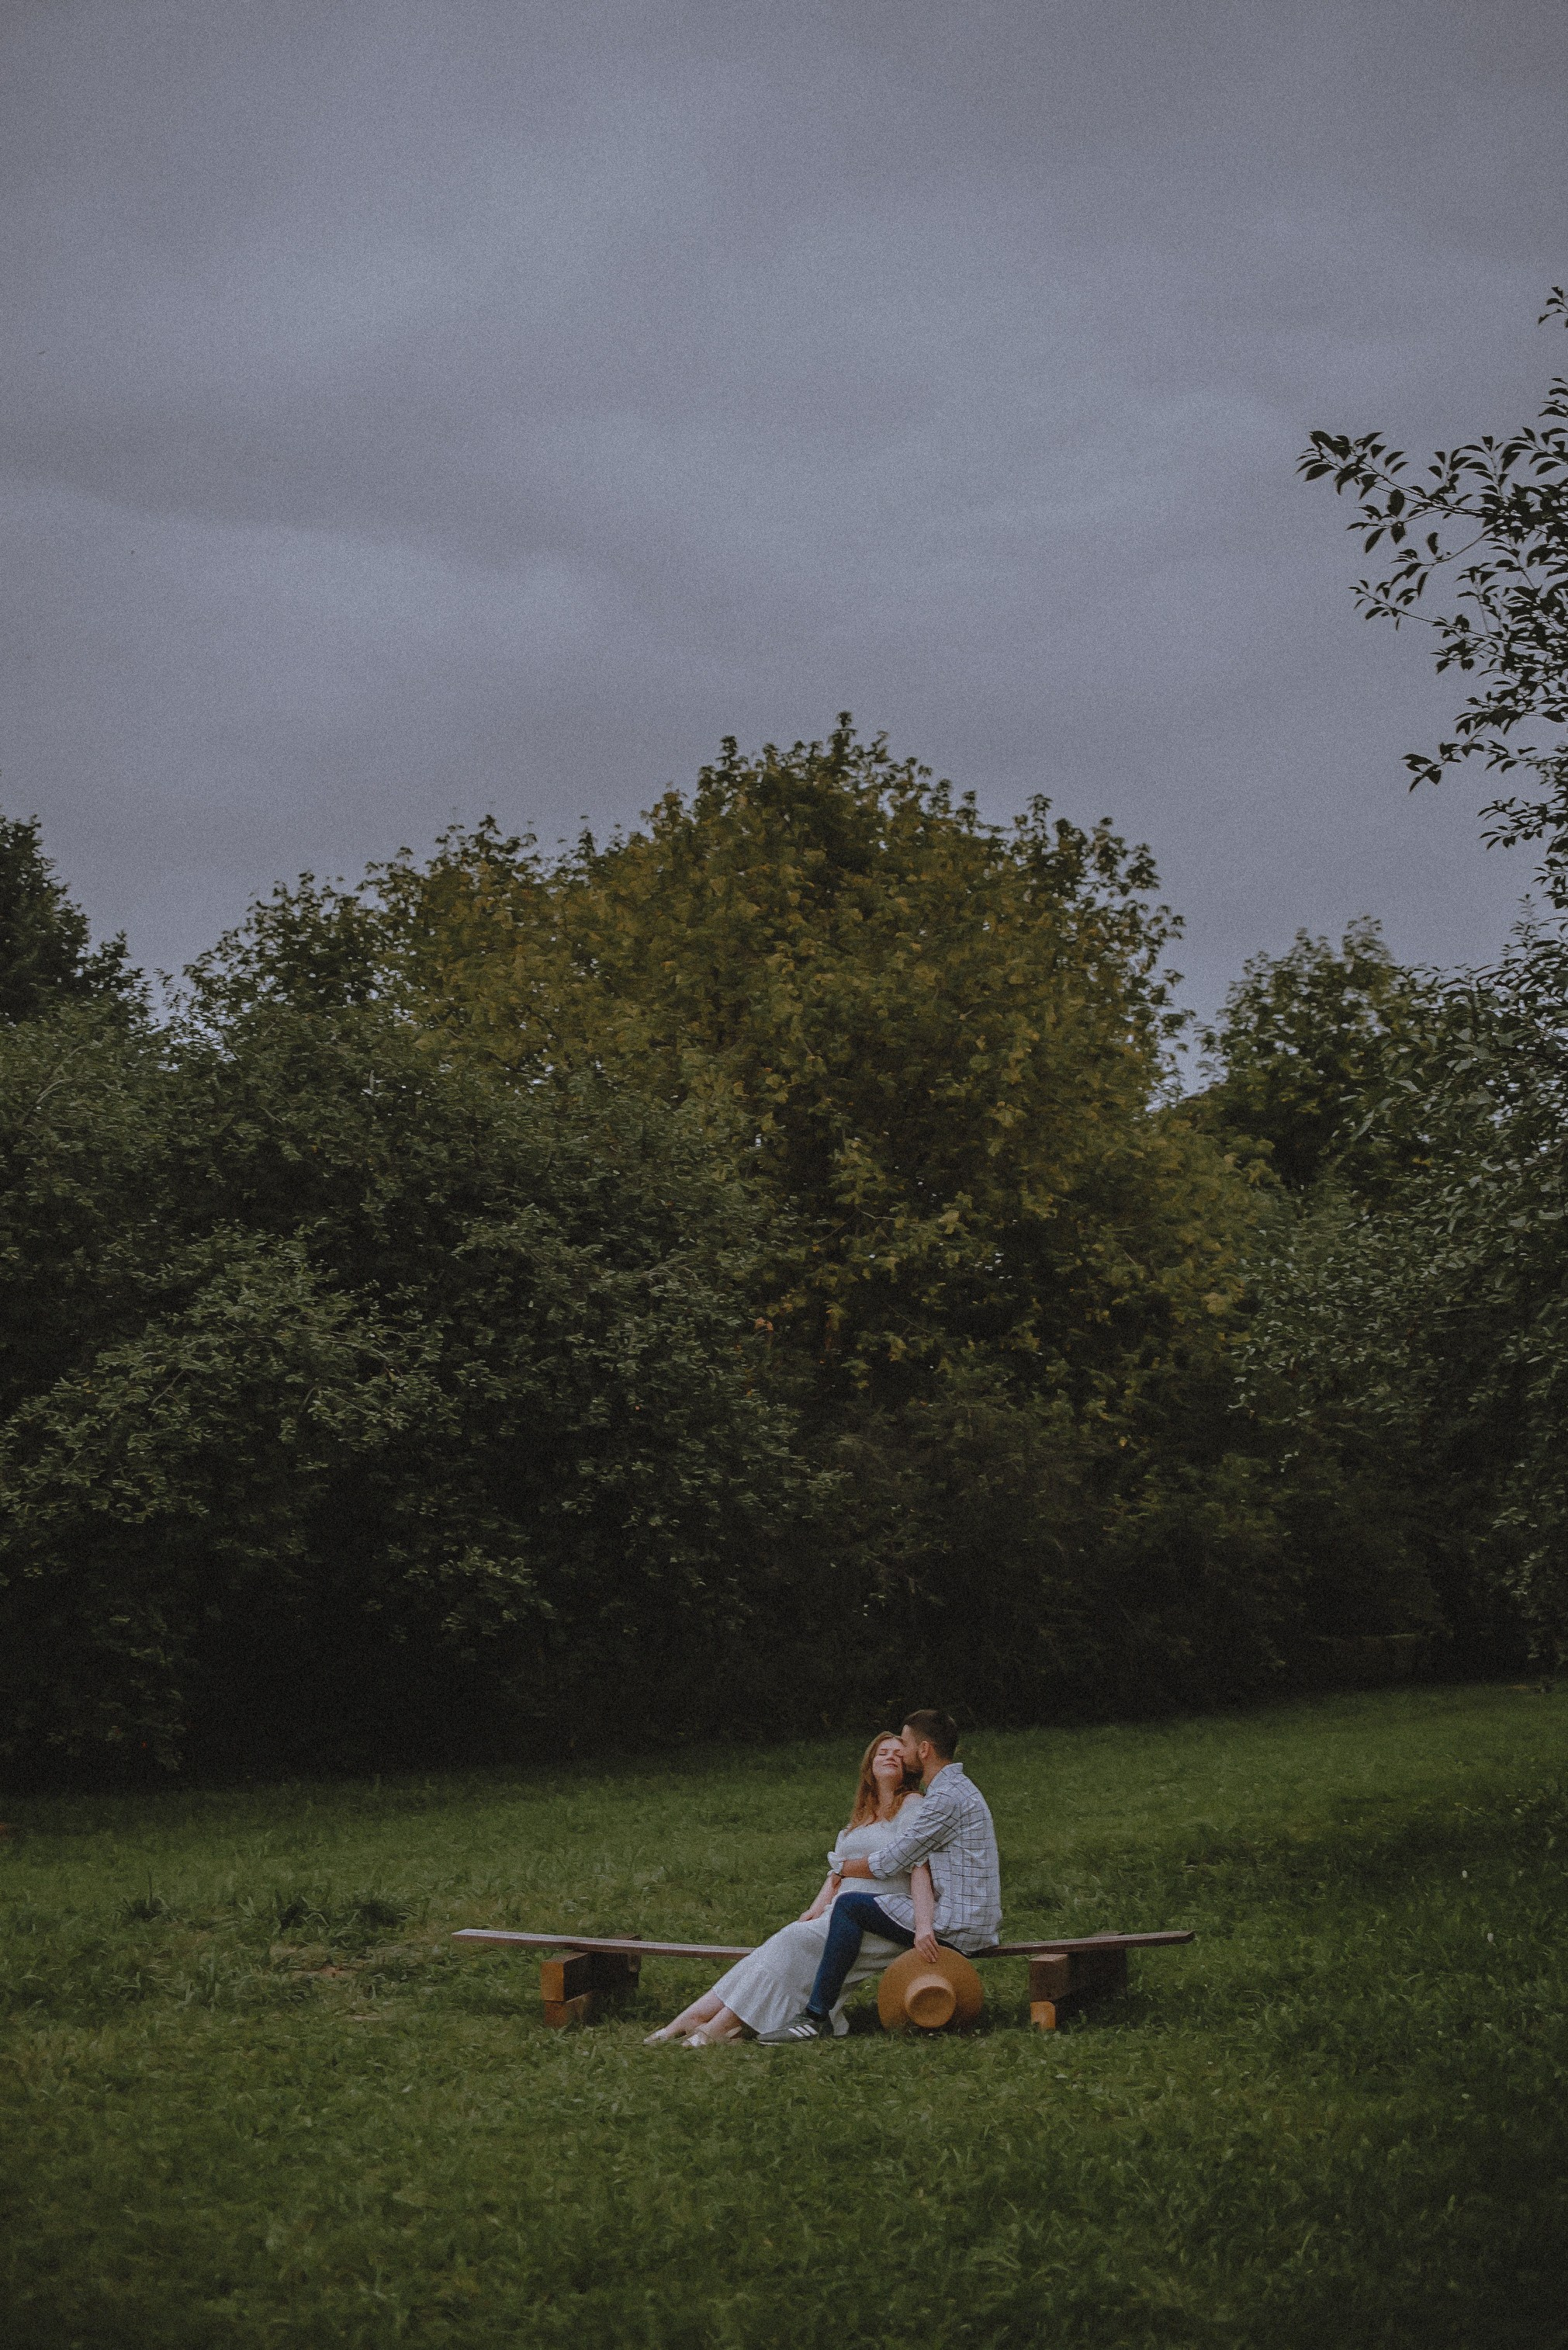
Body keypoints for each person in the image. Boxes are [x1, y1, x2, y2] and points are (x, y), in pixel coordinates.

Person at [643, 1733, 936, 2046]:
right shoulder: (860, 1819)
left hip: (880, 1914)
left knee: (791, 1944)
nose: (890, 1756)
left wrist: (923, 1925)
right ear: (870, 1767)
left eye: (897, 1753)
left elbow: (918, 1865)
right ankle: (696, 2018)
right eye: (882, 1753)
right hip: (839, 1913)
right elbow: (835, 1873)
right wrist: (814, 1908)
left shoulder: (913, 1806)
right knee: (780, 1945)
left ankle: (718, 2028)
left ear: (908, 1767)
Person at [756, 1707, 1000, 2043]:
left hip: (959, 1926)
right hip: (970, 1918)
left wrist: (840, 1866)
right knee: (855, 1907)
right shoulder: (959, 1789)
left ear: (924, 1750)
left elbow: (890, 1862)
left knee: (851, 1907)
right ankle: (817, 2012)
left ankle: (815, 2017)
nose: (900, 1752)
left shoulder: (944, 1800)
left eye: (906, 1745)